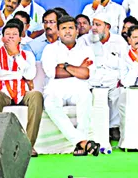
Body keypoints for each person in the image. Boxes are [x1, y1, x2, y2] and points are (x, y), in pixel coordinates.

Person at [41, 15, 99, 156]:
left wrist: (65, 66)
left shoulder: (86, 49)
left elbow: (86, 74)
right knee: (49, 104)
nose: (68, 32)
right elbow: (52, 72)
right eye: (64, 28)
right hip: (56, 88)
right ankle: (82, 142)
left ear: (77, 31)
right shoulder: (49, 49)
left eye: (71, 28)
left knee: (86, 95)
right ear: (58, 32)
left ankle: (81, 143)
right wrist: (77, 68)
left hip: (78, 88)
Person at [0, 21, 42, 156]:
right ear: (2, 38)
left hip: (22, 93)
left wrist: (16, 55)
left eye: (14, 35)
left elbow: (30, 75)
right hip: (4, 93)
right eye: (7, 34)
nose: (11, 38)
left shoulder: (27, 55)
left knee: (36, 96)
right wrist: (20, 74)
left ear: (20, 38)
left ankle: (28, 145)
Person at [86, 11, 128, 141]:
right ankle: (94, 130)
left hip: (113, 80)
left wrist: (121, 79)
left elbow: (124, 63)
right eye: (93, 24)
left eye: (98, 25)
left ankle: (113, 127)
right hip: (93, 80)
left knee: (118, 93)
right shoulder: (86, 40)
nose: (94, 28)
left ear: (107, 27)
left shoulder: (119, 41)